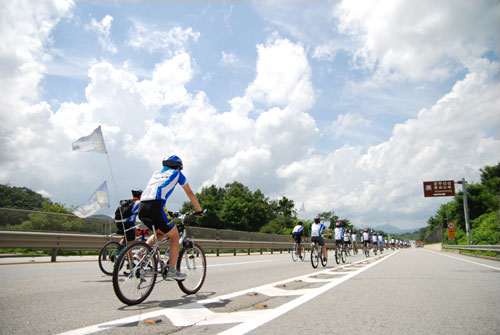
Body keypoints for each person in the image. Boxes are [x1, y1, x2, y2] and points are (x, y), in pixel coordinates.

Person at [139, 155, 203, 280]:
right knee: (174, 236)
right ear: (178, 167)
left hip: (142, 206)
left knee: (161, 233)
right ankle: (172, 271)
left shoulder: (156, 173)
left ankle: (142, 256)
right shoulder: (177, 174)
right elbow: (189, 192)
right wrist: (199, 210)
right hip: (156, 205)